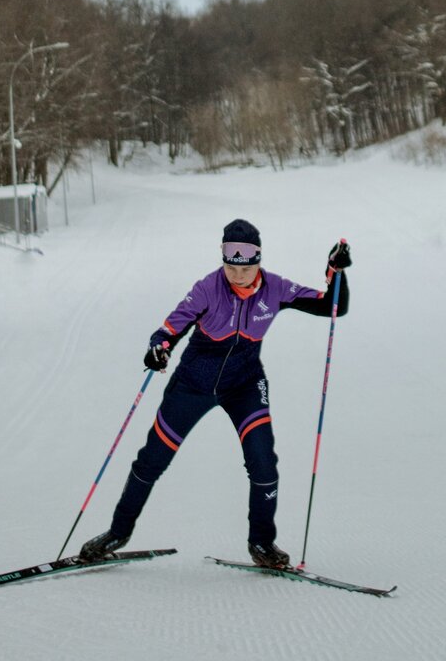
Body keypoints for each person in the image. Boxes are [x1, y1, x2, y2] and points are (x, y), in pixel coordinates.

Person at [79, 218, 351, 570]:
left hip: (245, 385)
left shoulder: (276, 288)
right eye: (230, 265)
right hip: (193, 385)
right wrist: (158, 348)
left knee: (264, 463)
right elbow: (169, 328)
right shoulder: (208, 288)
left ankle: (262, 544)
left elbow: (333, 306)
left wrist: (335, 270)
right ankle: (117, 532)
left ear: (258, 260)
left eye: (246, 267)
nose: (237, 275)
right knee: (152, 460)